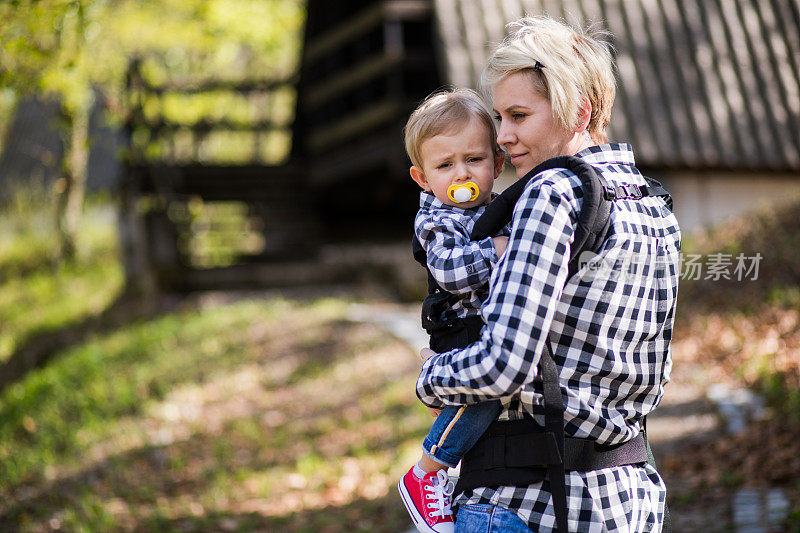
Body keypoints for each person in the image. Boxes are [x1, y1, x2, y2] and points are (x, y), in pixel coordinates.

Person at [416, 16, 681, 532]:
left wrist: (431, 377)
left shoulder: (552, 192)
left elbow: (503, 365)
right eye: (499, 117)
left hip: (528, 501)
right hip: (628, 498)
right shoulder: (654, 203)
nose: (503, 137)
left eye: (518, 115)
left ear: (578, 110)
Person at [397, 88, 510, 533]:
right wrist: (497, 249)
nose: (461, 173)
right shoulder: (436, 219)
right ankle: (425, 472)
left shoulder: (504, 207)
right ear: (423, 177)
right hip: (459, 329)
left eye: (474, 160)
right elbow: (450, 270)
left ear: (497, 163)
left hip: (485, 326)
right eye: (445, 165)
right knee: (482, 396)